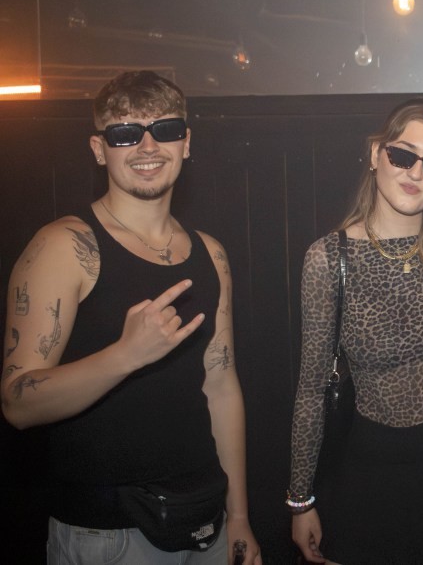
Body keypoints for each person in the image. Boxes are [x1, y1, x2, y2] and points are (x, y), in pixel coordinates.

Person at [1, 70, 261, 564]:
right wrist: (125, 356)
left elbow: (221, 385)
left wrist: (240, 517)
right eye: (125, 133)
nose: (147, 145)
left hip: (205, 523)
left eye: (165, 129)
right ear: (99, 149)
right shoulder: (65, 246)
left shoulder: (210, 253)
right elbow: (17, 401)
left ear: (186, 143)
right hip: (108, 534)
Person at [288, 98, 423, 565]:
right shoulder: (328, 259)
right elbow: (311, 388)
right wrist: (300, 499)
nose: (415, 173)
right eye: (403, 155)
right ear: (376, 154)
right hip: (376, 465)